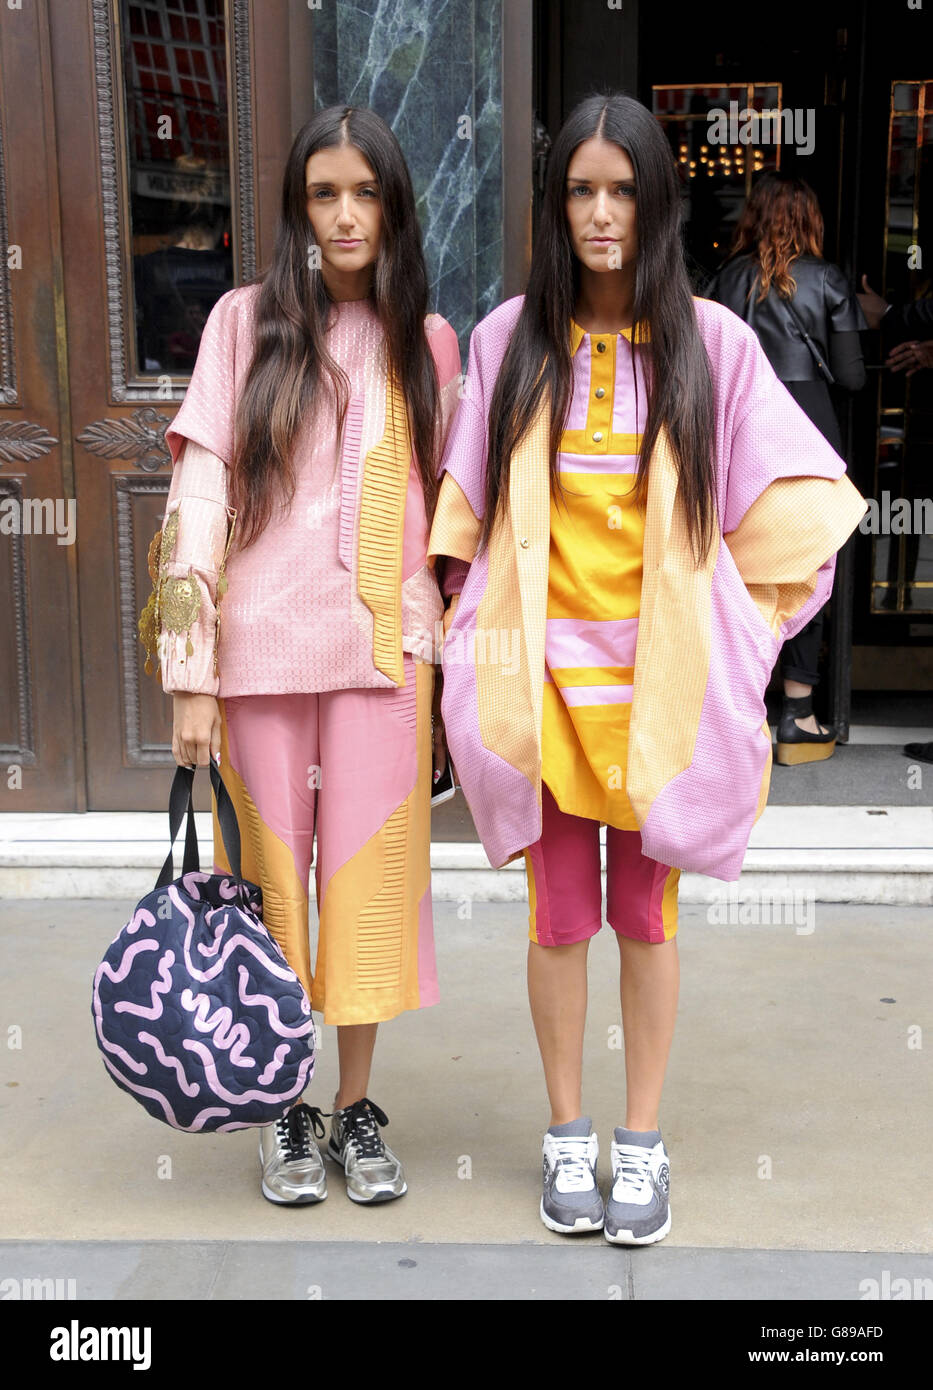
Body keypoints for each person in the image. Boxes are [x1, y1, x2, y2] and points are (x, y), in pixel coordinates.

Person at [428, 92, 866, 1245]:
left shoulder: (712, 345)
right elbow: (460, 519)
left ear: (658, 200)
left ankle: (643, 1142)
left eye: (624, 189)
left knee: (648, 915)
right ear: (556, 202)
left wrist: (744, 636)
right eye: (582, 189)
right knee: (561, 915)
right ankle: (567, 1133)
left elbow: (798, 511)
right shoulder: (506, 339)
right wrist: (466, 649)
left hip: (659, 695)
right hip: (549, 699)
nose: (603, 211)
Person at [139, 105, 461, 1207]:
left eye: (364, 192)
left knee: (368, 890)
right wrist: (192, 673)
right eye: (323, 193)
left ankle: (355, 1107)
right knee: (267, 892)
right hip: (259, 661)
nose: (344, 215)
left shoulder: (429, 341)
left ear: (394, 206)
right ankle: (284, 1107)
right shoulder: (243, 324)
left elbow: (457, 514)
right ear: (297, 209)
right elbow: (199, 490)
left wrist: (458, 661)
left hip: (383, 662)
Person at [707, 173, 867, 765]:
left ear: (753, 216)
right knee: (810, 566)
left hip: (745, 441)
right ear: (810, 219)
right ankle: (796, 714)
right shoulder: (828, 281)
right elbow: (851, 377)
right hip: (811, 440)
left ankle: (739, 705)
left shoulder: (726, 280)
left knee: (742, 571)